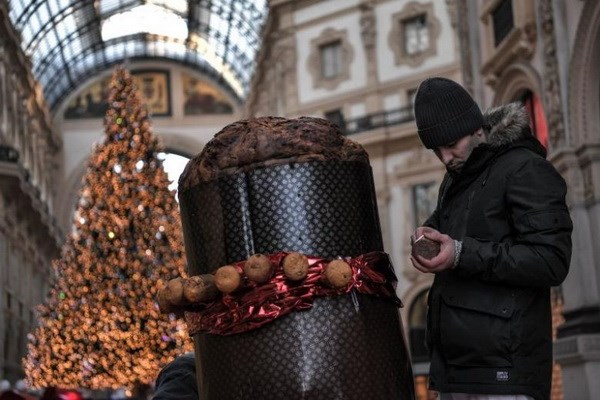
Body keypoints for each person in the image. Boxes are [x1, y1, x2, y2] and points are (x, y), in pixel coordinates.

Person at [410, 77, 572, 400]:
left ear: (475, 128)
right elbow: (456, 231)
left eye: (451, 144)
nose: (445, 158)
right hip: (457, 374)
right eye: (435, 150)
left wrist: (459, 254)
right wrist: (426, 235)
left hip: (506, 376)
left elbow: (551, 260)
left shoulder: (524, 168)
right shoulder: (454, 181)